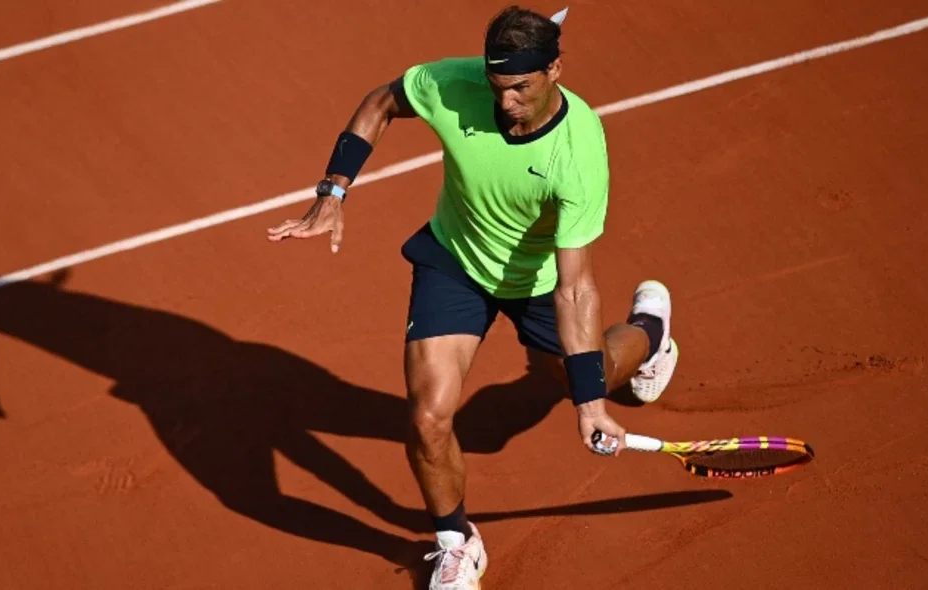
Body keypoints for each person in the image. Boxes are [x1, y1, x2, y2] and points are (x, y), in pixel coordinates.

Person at [267, 5, 678, 588]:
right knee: (429, 415)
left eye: (520, 89)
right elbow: (382, 102)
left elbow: (575, 286)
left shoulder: (579, 154)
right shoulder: (453, 83)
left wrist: (589, 405)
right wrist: (334, 189)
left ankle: (652, 332)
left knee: (591, 375)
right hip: (455, 261)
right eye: (496, 86)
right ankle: (456, 540)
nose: (505, 103)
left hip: (537, 282)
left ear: (555, 69)